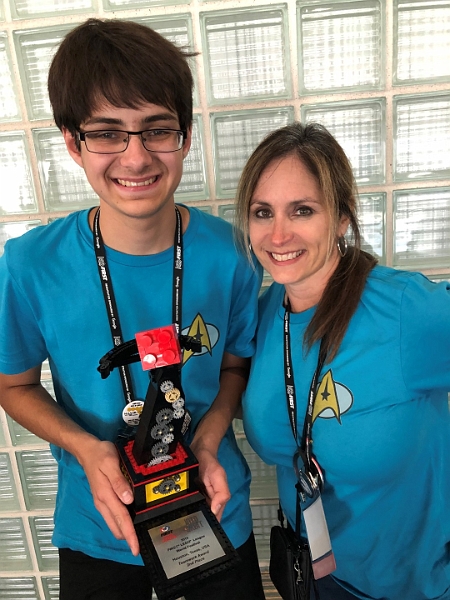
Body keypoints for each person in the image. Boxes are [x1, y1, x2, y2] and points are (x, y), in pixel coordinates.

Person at [0, 18, 265, 600]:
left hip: (212, 507)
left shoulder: (235, 254)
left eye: (157, 130)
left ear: (185, 136)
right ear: (72, 142)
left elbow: (234, 367)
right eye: (107, 133)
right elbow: (13, 385)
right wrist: (86, 447)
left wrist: (208, 436)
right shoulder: (28, 264)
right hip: (99, 523)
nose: (136, 157)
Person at [235, 121, 450, 600]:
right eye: (263, 212)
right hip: (311, 578)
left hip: (413, 587)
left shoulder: (405, 312)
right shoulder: (262, 316)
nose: (278, 234)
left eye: (303, 210)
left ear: (341, 218)